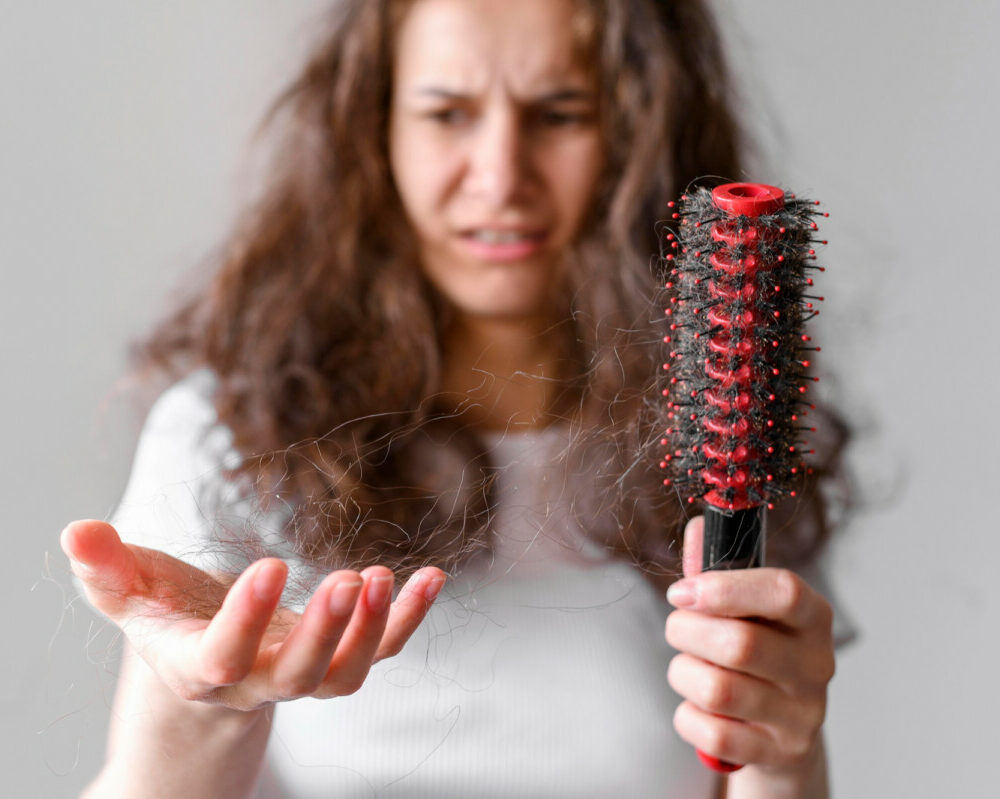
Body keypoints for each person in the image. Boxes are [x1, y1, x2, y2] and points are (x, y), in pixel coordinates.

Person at [62, 1, 844, 796]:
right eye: (447, 114)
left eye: (559, 113)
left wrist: (783, 751)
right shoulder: (227, 440)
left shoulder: (727, 443)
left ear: (640, 132)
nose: (501, 174)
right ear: (377, 131)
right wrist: (204, 706)